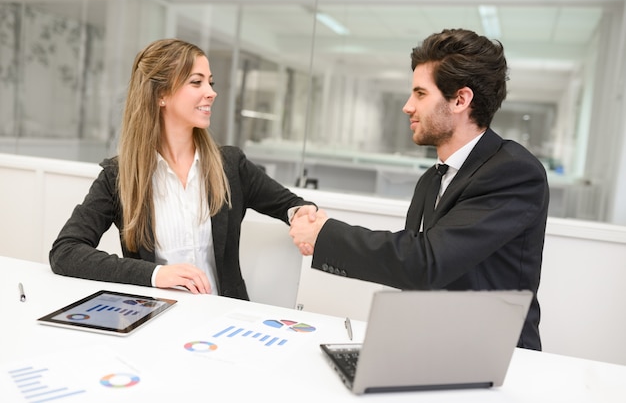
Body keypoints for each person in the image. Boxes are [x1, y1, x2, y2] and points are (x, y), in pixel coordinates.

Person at [289, 28, 549, 351]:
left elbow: (427, 262)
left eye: (420, 94)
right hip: (434, 351)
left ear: (460, 99)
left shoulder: (513, 172)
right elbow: (415, 271)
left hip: (495, 359)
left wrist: (325, 235)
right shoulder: (433, 178)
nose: (408, 106)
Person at [49, 38, 316, 299]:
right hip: (155, 318)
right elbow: (65, 251)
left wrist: (302, 215)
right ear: (161, 94)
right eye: (196, 82)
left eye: (210, 82)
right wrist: (155, 275)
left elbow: (290, 205)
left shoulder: (230, 166)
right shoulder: (119, 176)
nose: (211, 92)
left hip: (222, 317)